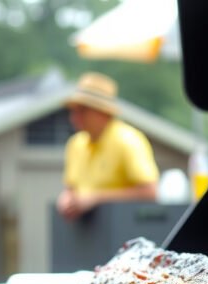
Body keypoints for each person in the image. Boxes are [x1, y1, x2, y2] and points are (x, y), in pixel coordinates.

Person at [57, 72, 160, 221]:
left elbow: (150, 193)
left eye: (82, 110)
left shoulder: (127, 140)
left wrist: (96, 198)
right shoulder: (75, 144)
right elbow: (71, 189)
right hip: (88, 239)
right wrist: (66, 199)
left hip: (123, 233)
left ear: (102, 112)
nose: (74, 117)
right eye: (74, 110)